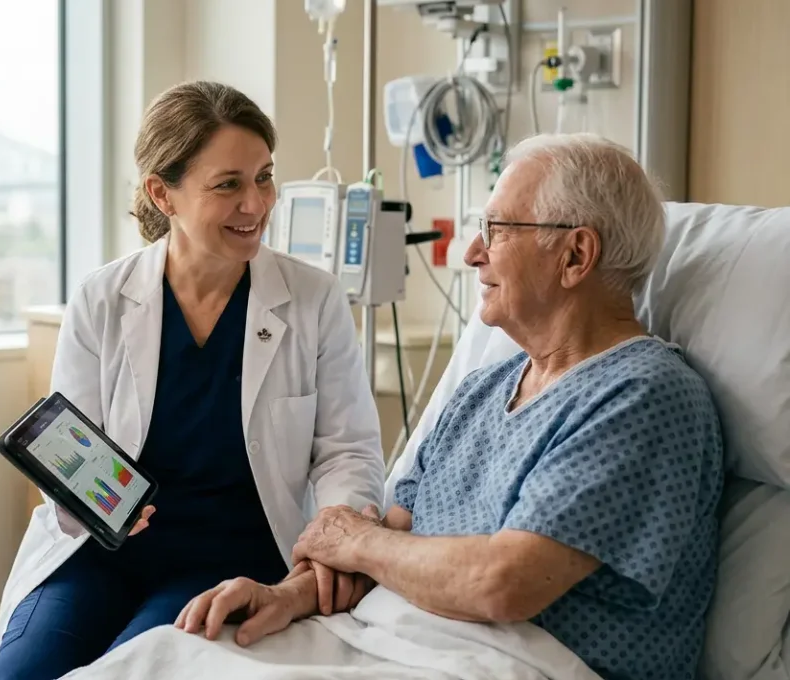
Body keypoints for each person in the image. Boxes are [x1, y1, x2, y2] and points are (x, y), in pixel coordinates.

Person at [175, 133, 725, 680]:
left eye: (498, 230)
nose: (472, 252)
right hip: (386, 641)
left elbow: (502, 583)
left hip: (511, 663)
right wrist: (285, 596)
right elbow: (390, 539)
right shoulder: (482, 391)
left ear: (576, 255)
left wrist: (360, 541)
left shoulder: (644, 396)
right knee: (171, 660)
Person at [0, 81, 386, 678]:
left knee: (132, 668)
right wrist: (88, 496)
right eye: (228, 184)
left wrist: (335, 542)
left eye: (264, 177)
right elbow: (70, 448)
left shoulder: (312, 300)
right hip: (98, 553)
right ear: (162, 194)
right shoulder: (103, 298)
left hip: (227, 561)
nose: (256, 203)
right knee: (25, 672)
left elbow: (347, 451)